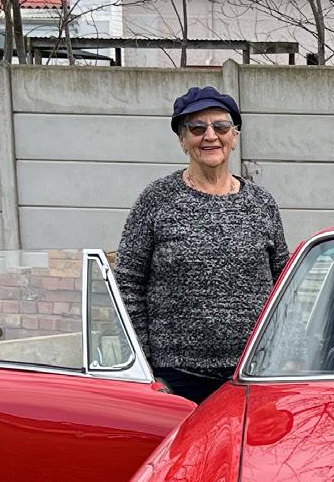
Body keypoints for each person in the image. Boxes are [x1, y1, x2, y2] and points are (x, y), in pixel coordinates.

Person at [114, 85, 290, 404]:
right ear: (182, 141)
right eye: (197, 128)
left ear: (234, 136)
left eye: (220, 126)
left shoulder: (261, 203)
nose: (210, 136)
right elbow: (128, 283)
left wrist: (288, 353)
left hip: (252, 373)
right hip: (177, 378)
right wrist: (145, 366)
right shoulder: (156, 199)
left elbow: (284, 286)